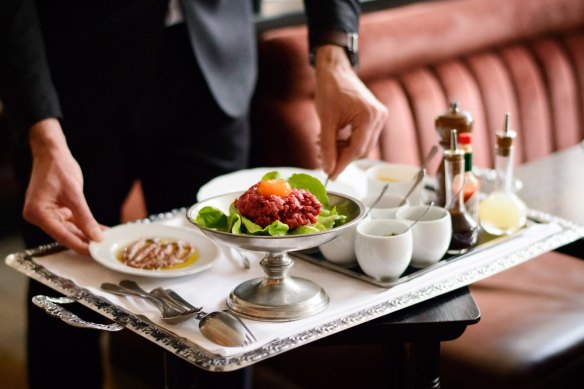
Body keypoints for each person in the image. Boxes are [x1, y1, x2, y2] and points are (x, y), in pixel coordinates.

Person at [0, 0, 387, 387]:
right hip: (71, 85)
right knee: (67, 304)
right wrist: (41, 131)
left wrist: (334, 56)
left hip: (214, 69)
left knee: (224, 305)